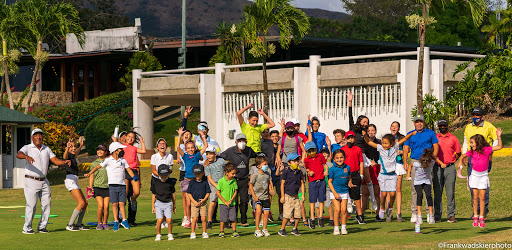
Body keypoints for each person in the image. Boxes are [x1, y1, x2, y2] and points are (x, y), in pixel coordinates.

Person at [17, 128, 71, 234]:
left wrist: (64, 162)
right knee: (31, 205)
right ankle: (27, 228)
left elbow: (55, 160)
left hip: (44, 180)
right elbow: (18, 154)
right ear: (32, 137)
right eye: (36, 135)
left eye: (40, 135)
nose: (38, 137)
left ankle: (42, 227)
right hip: (31, 180)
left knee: (46, 204)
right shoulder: (27, 147)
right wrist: (26, 156)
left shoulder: (46, 149)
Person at [363, 130, 416, 222]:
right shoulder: (380, 148)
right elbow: (368, 142)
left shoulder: (395, 147)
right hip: (383, 175)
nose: (383, 145)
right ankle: (382, 208)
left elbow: (405, 139)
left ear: (391, 144)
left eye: (386, 143)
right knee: (383, 194)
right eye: (383, 143)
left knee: (392, 194)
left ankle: (390, 208)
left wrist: (411, 134)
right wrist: (364, 135)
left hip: (392, 175)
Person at [85, 142, 139, 232]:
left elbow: (129, 169)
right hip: (112, 186)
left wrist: (133, 177)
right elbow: (98, 167)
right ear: (115, 151)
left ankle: (124, 220)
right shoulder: (108, 160)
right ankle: (115, 221)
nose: (122, 151)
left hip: (122, 185)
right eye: (120, 149)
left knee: (122, 203)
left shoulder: (123, 160)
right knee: (114, 204)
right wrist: (89, 173)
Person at [459, 128, 503, 228]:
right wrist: (461, 162)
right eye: (470, 143)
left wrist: (499, 136)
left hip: (483, 176)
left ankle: (482, 217)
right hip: (474, 175)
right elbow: (462, 156)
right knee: (475, 197)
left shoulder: (487, 150)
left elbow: (499, 147)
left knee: (482, 198)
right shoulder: (471, 152)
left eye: (472, 143)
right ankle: (475, 216)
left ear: (478, 143)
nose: (470, 145)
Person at [403, 114, 439, 223]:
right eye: (417, 122)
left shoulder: (430, 133)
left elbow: (436, 146)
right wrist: (405, 161)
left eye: (421, 122)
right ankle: (414, 213)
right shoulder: (410, 134)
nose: (419, 123)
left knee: (428, 188)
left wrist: (432, 159)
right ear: (414, 123)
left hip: (427, 162)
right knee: (415, 189)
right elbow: (405, 149)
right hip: (415, 161)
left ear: (424, 123)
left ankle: (429, 213)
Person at [462, 107, 498, 217]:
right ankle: (476, 211)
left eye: (477, 115)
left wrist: (491, 152)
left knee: (483, 184)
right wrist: (464, 156)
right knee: (473, 185)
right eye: (474, 115)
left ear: (482, 117)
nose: (475, 117)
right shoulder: (468, 127)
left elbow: (496, 139)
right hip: (472, 159)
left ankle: (484, 208)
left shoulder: (489, 126)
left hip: (484, 160)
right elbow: (465, 142)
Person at [218, 133, 258, 227]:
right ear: (236, 142)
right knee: (233, 201)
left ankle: (243, 221)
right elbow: (220, 156)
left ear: (246, 142)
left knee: (244, 200)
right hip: (233, 180)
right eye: (239, 141)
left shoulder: (249, 150)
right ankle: (232, 220)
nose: (242, 143)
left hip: (244, 179)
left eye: (243, 141)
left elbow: (257, 156)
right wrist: (209, 161)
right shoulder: (231, 151)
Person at [176, 127, 209, 228]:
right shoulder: (185, 156)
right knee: (188, 203)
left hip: (195, 181)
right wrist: (180, 135)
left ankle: (194, 220)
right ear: (186, 149)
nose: (190, 149)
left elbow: (206, 145)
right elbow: (177, 147)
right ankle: (188, 219)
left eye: (192, 148)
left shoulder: (197, 156)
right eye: (188, 148)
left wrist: (202, 136)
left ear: (194, 148)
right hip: (186, 181)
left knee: (195, 202)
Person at [113, 131, 146, 226]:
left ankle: (133, 200)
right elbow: (114, 149)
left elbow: (143, 151)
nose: (130, 138)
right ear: (125, 137)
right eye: (129, 136)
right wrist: (115, 140)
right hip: (124, 171)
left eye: (132, 137)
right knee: (125, 193)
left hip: (134, 171)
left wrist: (142, 142)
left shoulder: (134, 148)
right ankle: (121, 217)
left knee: (137, 192)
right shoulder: (121, 146)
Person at [433, 120, 461, 223]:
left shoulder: (453, 138)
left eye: (444, 125)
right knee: (437, 192)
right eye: (441, 126)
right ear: (438, 127)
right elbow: (432, 153)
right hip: (437, 167)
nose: (443, 127)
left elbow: (458, 152)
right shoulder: (435, 137)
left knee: (450, 192)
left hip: (450, 167)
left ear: (448, 126)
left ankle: (451, 215)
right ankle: (437, 215)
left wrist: (452, 160)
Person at [63, 137, 90, 231]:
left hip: (75, 180)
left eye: (74, 146)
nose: (74, 148)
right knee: (81, 203)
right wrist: (67, 148)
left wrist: (81, 145)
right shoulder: (68, 156)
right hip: (70, 180)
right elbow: (64, 157)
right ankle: (70, 224)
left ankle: (79, 224)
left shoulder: (73, 156)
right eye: (72, 147)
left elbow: (76, 153)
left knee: (85, 202)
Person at [278, 153, 305, 237]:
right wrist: (282, 196)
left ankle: (295, 228)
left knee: (298, 213)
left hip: (297, 195)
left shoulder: (299, 172)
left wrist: (302, 195)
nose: (296, 162)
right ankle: (282, 229)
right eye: (294, 161)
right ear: (289, 163)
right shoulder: (286, 172)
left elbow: (302, 184)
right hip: (288, 195)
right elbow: (282, 184)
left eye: (297, 161)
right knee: (287, 214)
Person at [341, 131, 365, 224]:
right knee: (344, 195)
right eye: (348, 138)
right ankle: (343, 216)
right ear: (345, 139)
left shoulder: (358, 149)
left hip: (355, 174)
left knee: (356, 195)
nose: (350, 140)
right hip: (345, 174)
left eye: (352, 138)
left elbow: (361, 162)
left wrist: (361, 174)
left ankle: (360, 215)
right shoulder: (343, 149)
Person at [150, 138, 174, 229]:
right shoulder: (154, 156)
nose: (162, 145)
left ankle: (165, 220)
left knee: (166, 197)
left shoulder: (170, 156)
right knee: (156, 196)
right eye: (160, 144)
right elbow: (153, 170)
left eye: (164, 144)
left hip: (166, 178)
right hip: (156, 178)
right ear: (157, 147)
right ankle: (159, 220)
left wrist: (165, 176)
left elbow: (171, 169)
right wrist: (161, 176)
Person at [303, 141, 328, 229]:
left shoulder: (320, 156)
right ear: (307, 152)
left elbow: (325, 165)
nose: (311, 152)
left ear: (316, 149)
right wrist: (309, 172)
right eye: (309, 151)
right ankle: (312, 218)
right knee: (312, 201)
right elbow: (306, 169)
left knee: (321, 200)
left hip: (321, 180)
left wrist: (326, 171)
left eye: (313, 150)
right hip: (312, 182)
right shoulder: (307, 160)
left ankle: (320, 217)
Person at [328, 149, 353, 235]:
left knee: (344, 211)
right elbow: (329, 182)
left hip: (344, 191)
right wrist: (335, 193)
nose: (339, 159)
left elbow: (349, 176)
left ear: (344, 158)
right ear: (334, 159)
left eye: (341, 157)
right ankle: (336, 229)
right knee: (337, 210)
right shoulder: (332, 169)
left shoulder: (347, 167)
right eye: (337, 158)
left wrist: (350, 182)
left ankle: (343, 228)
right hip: (335, 192)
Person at [249, 155, 274, 237]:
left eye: (267, 164)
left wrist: (271, 190)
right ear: (258, 166)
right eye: (264, 164)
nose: (266, 166)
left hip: (265, 197)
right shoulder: (255, 175)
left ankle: (264, 229)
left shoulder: (267, 174)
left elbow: (270, 182)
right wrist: (254, 196)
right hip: (257, 197)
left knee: (266, 213)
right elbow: (250, 185)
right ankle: (257, 230)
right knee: (258, 212)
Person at [151, 165, 177, 241]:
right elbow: (154, 194)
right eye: (162, 175)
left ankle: (170, 234)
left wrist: (174, 205)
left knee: (169, 220)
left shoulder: (171, 183)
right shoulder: (155, 183)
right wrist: (153, 206)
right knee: (159, 220)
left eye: (166, 175)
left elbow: (173, 194)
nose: (164, 176)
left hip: (168, 203)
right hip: (158, 204)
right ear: (159, 174)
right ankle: (158, 235)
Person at [88, 144, 110, 230]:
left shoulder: (109, 161)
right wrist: (90, 188)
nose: (99, 151)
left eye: (102, 150)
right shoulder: (94, 164)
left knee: (106, 206)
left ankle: (105, 223)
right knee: (100, 206)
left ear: (105, 152)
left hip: (107, 187)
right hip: (97, 187)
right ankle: (99, 223)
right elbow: (91, 176)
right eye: (98, 150)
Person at [413, 148, 437, 228]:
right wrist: (407, 174)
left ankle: (431, 215)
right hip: (417, 182)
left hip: (427, 181)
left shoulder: (432, 163)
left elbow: (435, 159)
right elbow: (410, 165)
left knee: (429, 195)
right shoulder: (417, 164)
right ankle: (419, 215)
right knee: (419, 195)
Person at [204, 147, 227, 229]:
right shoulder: (207, 165)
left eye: (210, 154)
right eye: (207, 154)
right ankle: (209, 221)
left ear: (215, 154)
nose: (208, 156)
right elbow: (209, 178)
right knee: (213, 202)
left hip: (223, 184)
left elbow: (226, 171)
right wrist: (217, 186)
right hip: (214, 185)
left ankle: (225, 220)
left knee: (224, 202)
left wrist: (225, 182)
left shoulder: (221, 161)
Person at [187, 164, 211, 239]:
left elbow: (208, 193)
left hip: (203, 203)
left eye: (198, 173)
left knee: (204, 218)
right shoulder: (191, 182)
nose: (197, 175)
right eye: (195, 174)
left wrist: (204, 199)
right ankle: (193, 233)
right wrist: (194, 201)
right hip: (194, 203)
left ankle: (204, 232)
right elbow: (189, 193)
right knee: (194, 219)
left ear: (203, 173)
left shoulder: (205, 182)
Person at [361, 124, 380, 217]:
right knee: (365, 193)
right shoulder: (363, 143)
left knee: (376, 192)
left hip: (377, 167)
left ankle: (378, 214)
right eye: (368, 131)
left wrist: (375, 161)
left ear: (375, 131)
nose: (370, 132)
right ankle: (361, 214)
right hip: (366, 168)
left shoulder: (379, 142)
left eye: (372, 130)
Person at [390, 121, 407, 222]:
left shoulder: (402, 138)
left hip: (399, 164)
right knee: (389, 190)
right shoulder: (387, 138)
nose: (394, 128)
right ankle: (389, 211)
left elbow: (407, 149)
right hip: (389, 165)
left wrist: (402, 152)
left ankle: (399, 212)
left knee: (398, 189)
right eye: (392, 126)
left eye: (396, 126)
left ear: (399, 129)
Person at [217, 163, 239, 238]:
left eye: (235, 173)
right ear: (226, 173)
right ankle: (221, 231)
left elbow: (235, 191)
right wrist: (225, 201)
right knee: (223, 218)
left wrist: (231, 200)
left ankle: (234, 231)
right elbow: (218, 192)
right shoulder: (221, 181)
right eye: (232, 173)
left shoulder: (234, 181)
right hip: (223, 203)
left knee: (233, 218)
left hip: (232, 203)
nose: (234, 175)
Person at [261, 129, 277, 222]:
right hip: (263, 167)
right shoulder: (260, 142)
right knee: (263, 191)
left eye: (267, 132)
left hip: (271, 168)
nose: (265, 134)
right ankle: (259, 213)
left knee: (270, 190)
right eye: (264, 132)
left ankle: (268, 212)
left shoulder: (271, 142)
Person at [317, 147, 335, 227]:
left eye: (325, 153)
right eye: (322, 153)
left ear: (328, 155)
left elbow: (334, 176)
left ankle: (332, 219)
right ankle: (319, 220)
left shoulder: (331, 165)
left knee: (328, 204)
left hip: (327, 187)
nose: (323, 154)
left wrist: (328, 174)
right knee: (317, 205)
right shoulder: (317, 164)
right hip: (318, 186)